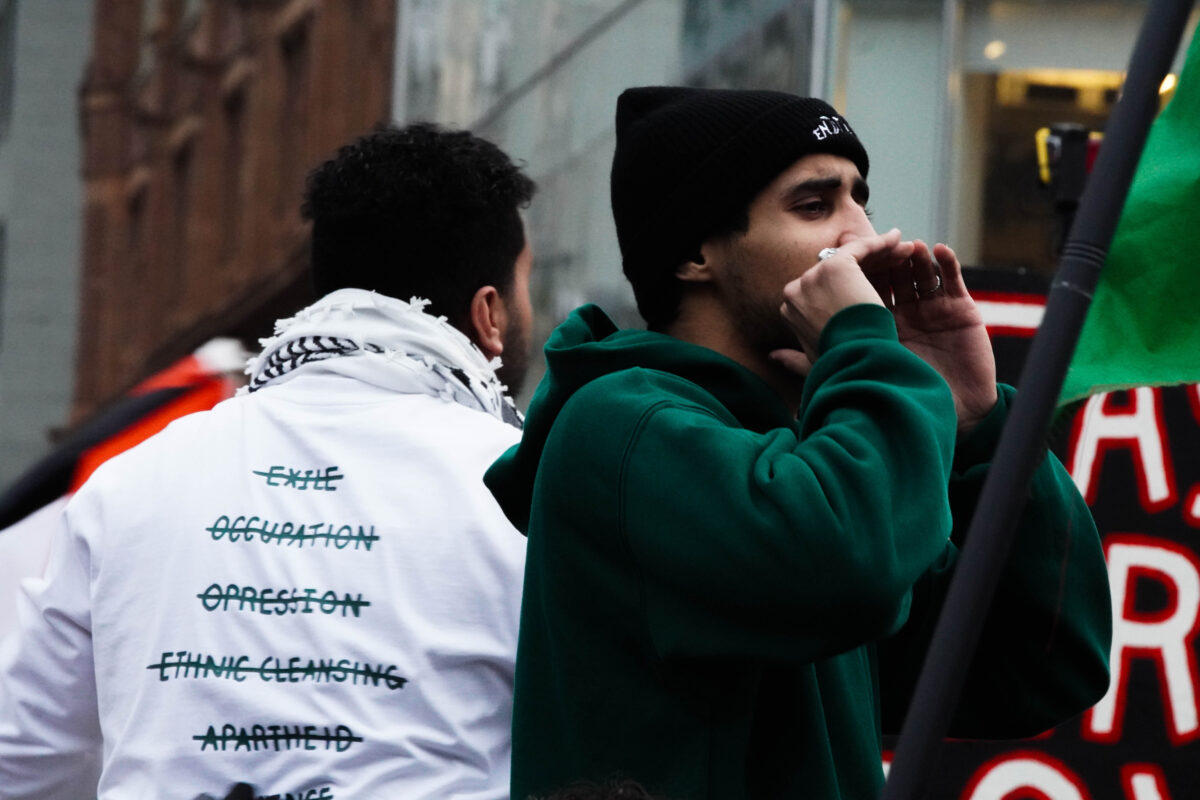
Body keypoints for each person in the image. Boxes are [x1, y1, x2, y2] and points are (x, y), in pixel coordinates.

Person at [485, 87, 1112, 799]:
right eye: (815, 206)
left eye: (860, 201)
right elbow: (847, 564)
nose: (862, 235)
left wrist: (974, 422)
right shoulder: (620, 426)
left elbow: (1044, 662)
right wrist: (868, 356)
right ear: (695, 251)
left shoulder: (815, 451)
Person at [0, 123, 536, 799]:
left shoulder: (132, 481)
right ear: (489, 313)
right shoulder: (521, 485)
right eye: (524, 287)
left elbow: (22, 759)